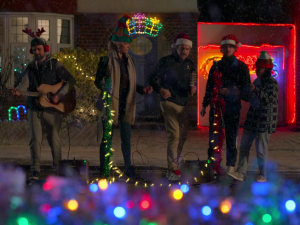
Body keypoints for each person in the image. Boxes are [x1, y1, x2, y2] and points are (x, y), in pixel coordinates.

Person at [13, 28, 76, 180]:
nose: (37, 52)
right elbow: (24, 83)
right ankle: (35, 170)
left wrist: (59, 95)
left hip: (53, 110)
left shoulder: (55, 65)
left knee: (54, 139)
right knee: (35, 140)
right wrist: (18, 91)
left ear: (46, 49)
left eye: (39, 49)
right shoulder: (30, 67)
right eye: (34, 50)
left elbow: (71, 80)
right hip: (34, 107)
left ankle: (58, 169)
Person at [94, 16, 153, 178]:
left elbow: (130, 84)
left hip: (126, 103)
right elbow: (97, 80)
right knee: (107, 137)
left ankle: (128, 168)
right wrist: (103, 86)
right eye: (127, 44)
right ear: (119, 45)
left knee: (126, 138)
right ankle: (104, 168)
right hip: (110, 102)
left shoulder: (130, 61)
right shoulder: (106, 60)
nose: (129, 47)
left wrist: (143, 89)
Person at [149, 33, 197, 181]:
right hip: (169, 102)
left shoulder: (190, 64)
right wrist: (161, 89)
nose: (184, 51)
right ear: (176, 48)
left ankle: (175, 161)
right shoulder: (165, 62)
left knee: (182, 136)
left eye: (187, 49)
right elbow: (151, 77)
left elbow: (192, 81)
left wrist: (193, 88)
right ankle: (173, 168)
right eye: (182, 48)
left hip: (184, 103)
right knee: (174, 135)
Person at [200, 34, 250, 174]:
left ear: (235, 48)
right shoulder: (216, 66)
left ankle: (230, 164)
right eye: (225, 47)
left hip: (233, 106)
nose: (228, 49)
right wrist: (205, 104)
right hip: (216, 107)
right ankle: (213, 164)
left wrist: (233, 91)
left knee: (231, 136)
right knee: (214, 136)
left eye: (231, 46)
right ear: (221, 49)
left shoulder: (241, 67)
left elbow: (246, 88)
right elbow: (209, 86)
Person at [228, 51, 279, 182]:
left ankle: (263, 174)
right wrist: (239, 92)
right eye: (258, 68)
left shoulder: (272, 83)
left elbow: (268, 100)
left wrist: (255, 90)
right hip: (252, 118)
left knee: (261, 150)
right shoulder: (257, 81)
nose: (258, 70)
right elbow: (250, 98)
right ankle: (241, 172)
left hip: (264, 120)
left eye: (261, 68)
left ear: (267, 69)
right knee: (244, 145)